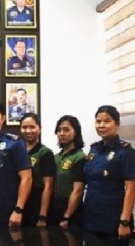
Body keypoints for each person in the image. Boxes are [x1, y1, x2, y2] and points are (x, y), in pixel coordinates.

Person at [84, 105, 135, 245]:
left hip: (113, 221)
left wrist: (124, 222)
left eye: (107, 121)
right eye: (98, 121)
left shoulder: (125, 152)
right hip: (91, 219)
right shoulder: (94, 149)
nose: (101, 125)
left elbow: (131, 189)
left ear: (117, 124)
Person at [47, 115, 85, 228]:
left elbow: (78, 191)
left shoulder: (80, 157)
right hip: (54, 208)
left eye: (66, 130)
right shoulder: (56, 157)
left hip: (71, 211)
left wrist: (66, 216)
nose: (62, 133)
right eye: (59, 130)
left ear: (76, 132)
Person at [19, 113, 55, 226]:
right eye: (24, 127)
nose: (28, 131)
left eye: (32, 127)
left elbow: (48, 186)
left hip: (36, 206)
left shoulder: (45, 153)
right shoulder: (17, 151)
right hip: (18, 205)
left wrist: (42, 216)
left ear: (39, 129)